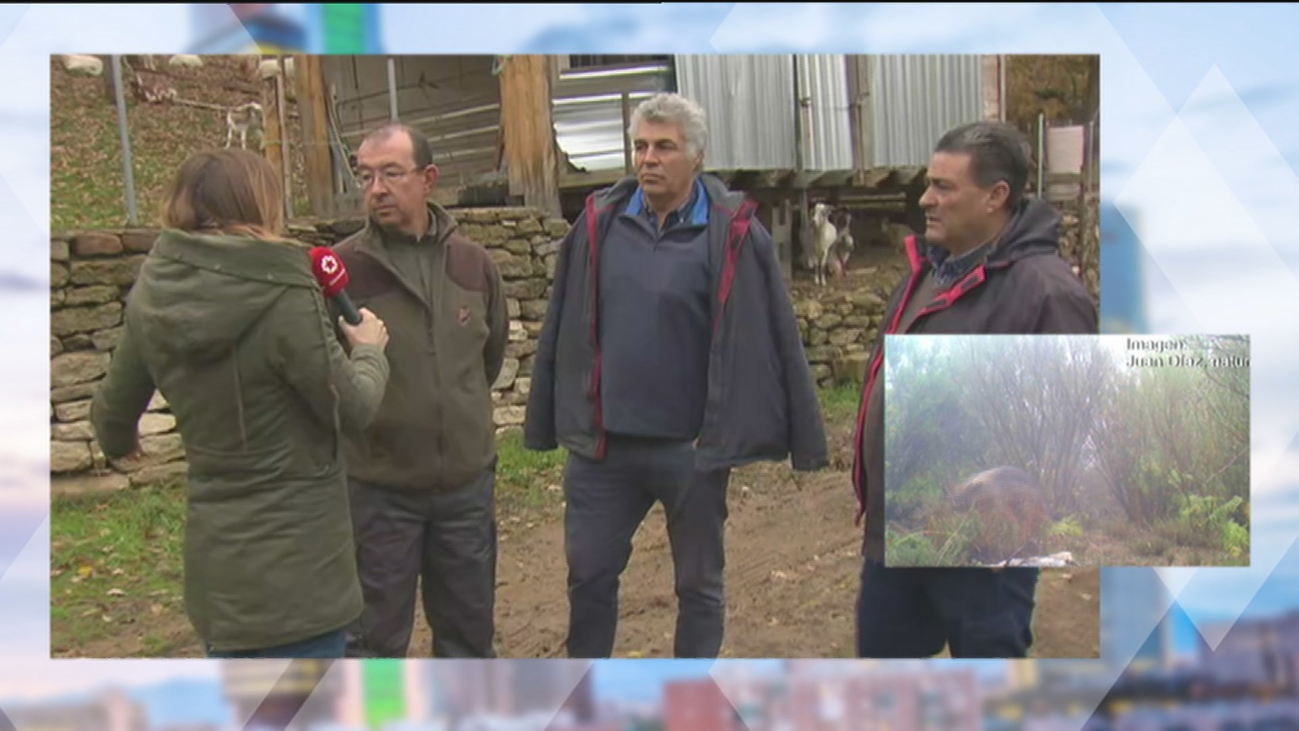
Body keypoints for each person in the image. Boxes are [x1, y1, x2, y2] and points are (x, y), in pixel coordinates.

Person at [523, 92, 828, 659]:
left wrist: (795, 436)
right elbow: (560, 327)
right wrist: (553, 417)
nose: (648, 159)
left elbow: (775, 337)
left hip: (691, 452)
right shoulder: (598, 227)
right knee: (587, 576)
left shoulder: (732, 233)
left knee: (698, 585)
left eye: (664, 147)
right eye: (640, 146)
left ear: (697, 157)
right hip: (603, 449)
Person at [89, 148, 392, 659]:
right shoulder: (284, 290)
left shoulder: (153, 291)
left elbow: (111, 419)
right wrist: (369, 353)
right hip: (302, 576)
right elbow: (353, 407)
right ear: (262, 205)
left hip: (220, 579)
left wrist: (127, 445)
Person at [852, 121, 1098, 658]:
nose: (926, 198)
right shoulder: (927, 274)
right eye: (929, 183)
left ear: (996, 196)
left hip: (985, 551)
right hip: (901, 530)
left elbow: (1071, 421)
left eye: (944, 186)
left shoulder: (1046, 291)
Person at [332, 122, 508, 659]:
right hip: (379, 493)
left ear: (428, 179)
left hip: (464, 491)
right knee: (372, 644)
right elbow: (327, 376)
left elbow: (488, 358)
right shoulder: (340, 273)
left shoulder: (473, 264)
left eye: (391, 173)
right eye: (366, 176)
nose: (376, 188)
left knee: (468, 640)